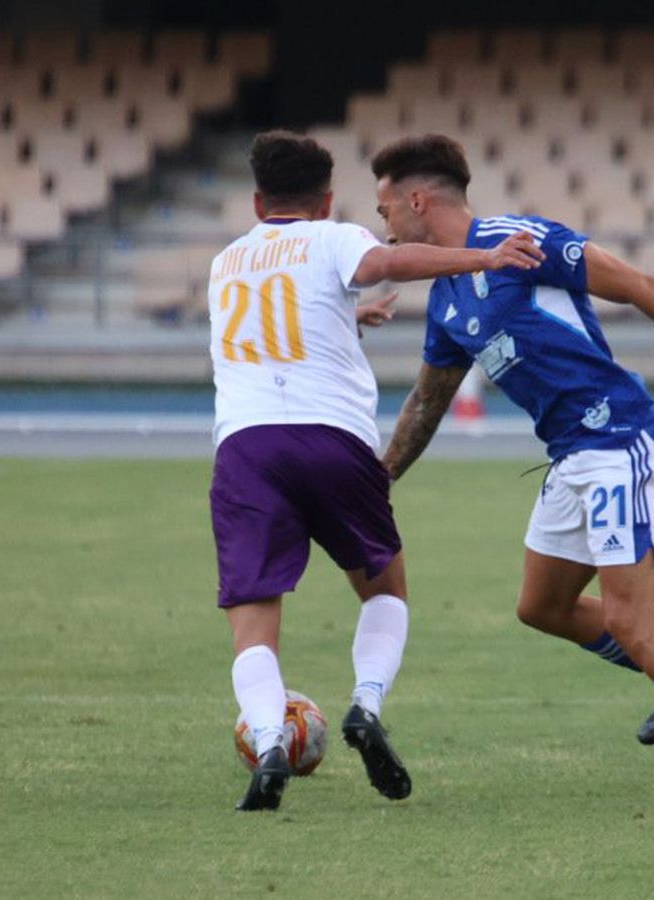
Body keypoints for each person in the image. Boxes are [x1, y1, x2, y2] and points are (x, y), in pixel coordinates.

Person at [372, 134, 654, 796]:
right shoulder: (447, 299)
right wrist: (378, 480)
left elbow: (636, 284)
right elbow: (428, 401)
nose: (385, 227)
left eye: (386, 210)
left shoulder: (519, 241)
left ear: (418, 200)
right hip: (570, 457)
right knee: (542, 605)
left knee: (631, 622)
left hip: (618, 440)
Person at [209, 130, 543, 811]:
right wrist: (483, 256)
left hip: (245, 448)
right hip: (332, 440)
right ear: (328, 200)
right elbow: (385, 261)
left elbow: (273, 325)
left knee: (253, 620)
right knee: (385, 588)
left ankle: (269, 742)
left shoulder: (226, 262)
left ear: (258, 202)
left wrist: (343, 315)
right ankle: (365, 704)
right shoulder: (335, 239)